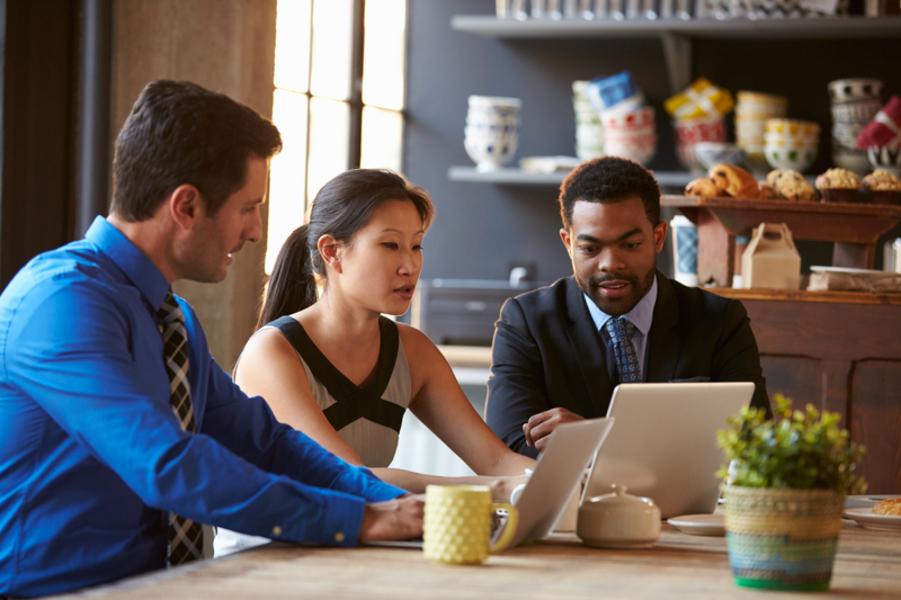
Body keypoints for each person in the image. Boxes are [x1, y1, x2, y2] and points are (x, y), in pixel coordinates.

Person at [0, 81, 422, 598]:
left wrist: (390, 505)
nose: (256, 232)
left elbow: (267, 444)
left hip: (162, 587)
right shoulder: (61, 303)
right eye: (248, 208)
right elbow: (168, 465)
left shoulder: (174, 320)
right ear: (186, 207)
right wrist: (361, 520)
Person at [214, 168, 535, 556]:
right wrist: (495, 489)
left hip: (358, 550)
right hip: (267, 561)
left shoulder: (412, 350)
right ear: (332, 252)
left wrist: (554, 479)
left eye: (416, 246)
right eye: (389, 246)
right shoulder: (272, 353)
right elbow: (349, 479)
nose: (410, 266)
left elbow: (495, 459)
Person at [485, 156, 771, 459]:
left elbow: (753, 444)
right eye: (590, 249)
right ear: (568, 244)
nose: (611, 264)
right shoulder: (525, 322)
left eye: (630, 245)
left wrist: (594, 440)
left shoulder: (721, 322)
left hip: (685, 507)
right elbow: (509, 449)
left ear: (658, 237)